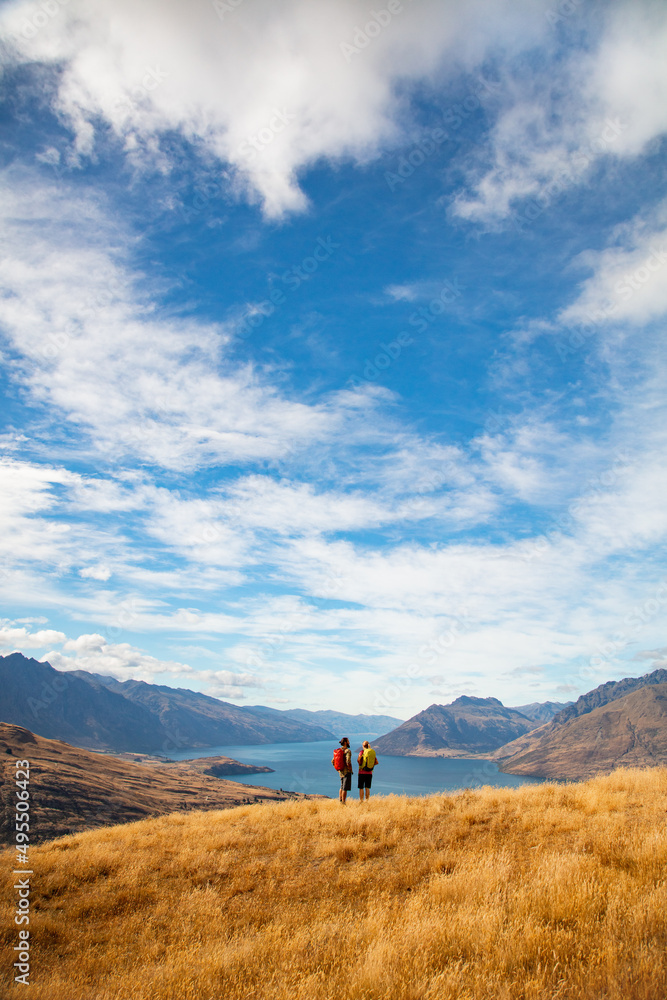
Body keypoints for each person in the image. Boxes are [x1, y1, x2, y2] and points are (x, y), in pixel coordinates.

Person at [332, 737, 352, 804]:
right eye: (348, 741)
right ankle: (343, 802)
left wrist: (338, 769)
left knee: (341, 786)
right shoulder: (347, 751)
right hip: (346, 771)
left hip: (341, 771)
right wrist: (350, 769)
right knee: (345, 788)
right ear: (346, 742)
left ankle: (340, 800)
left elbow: (333, 761)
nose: (349, 742)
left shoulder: (338, 751)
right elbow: (348, 761)